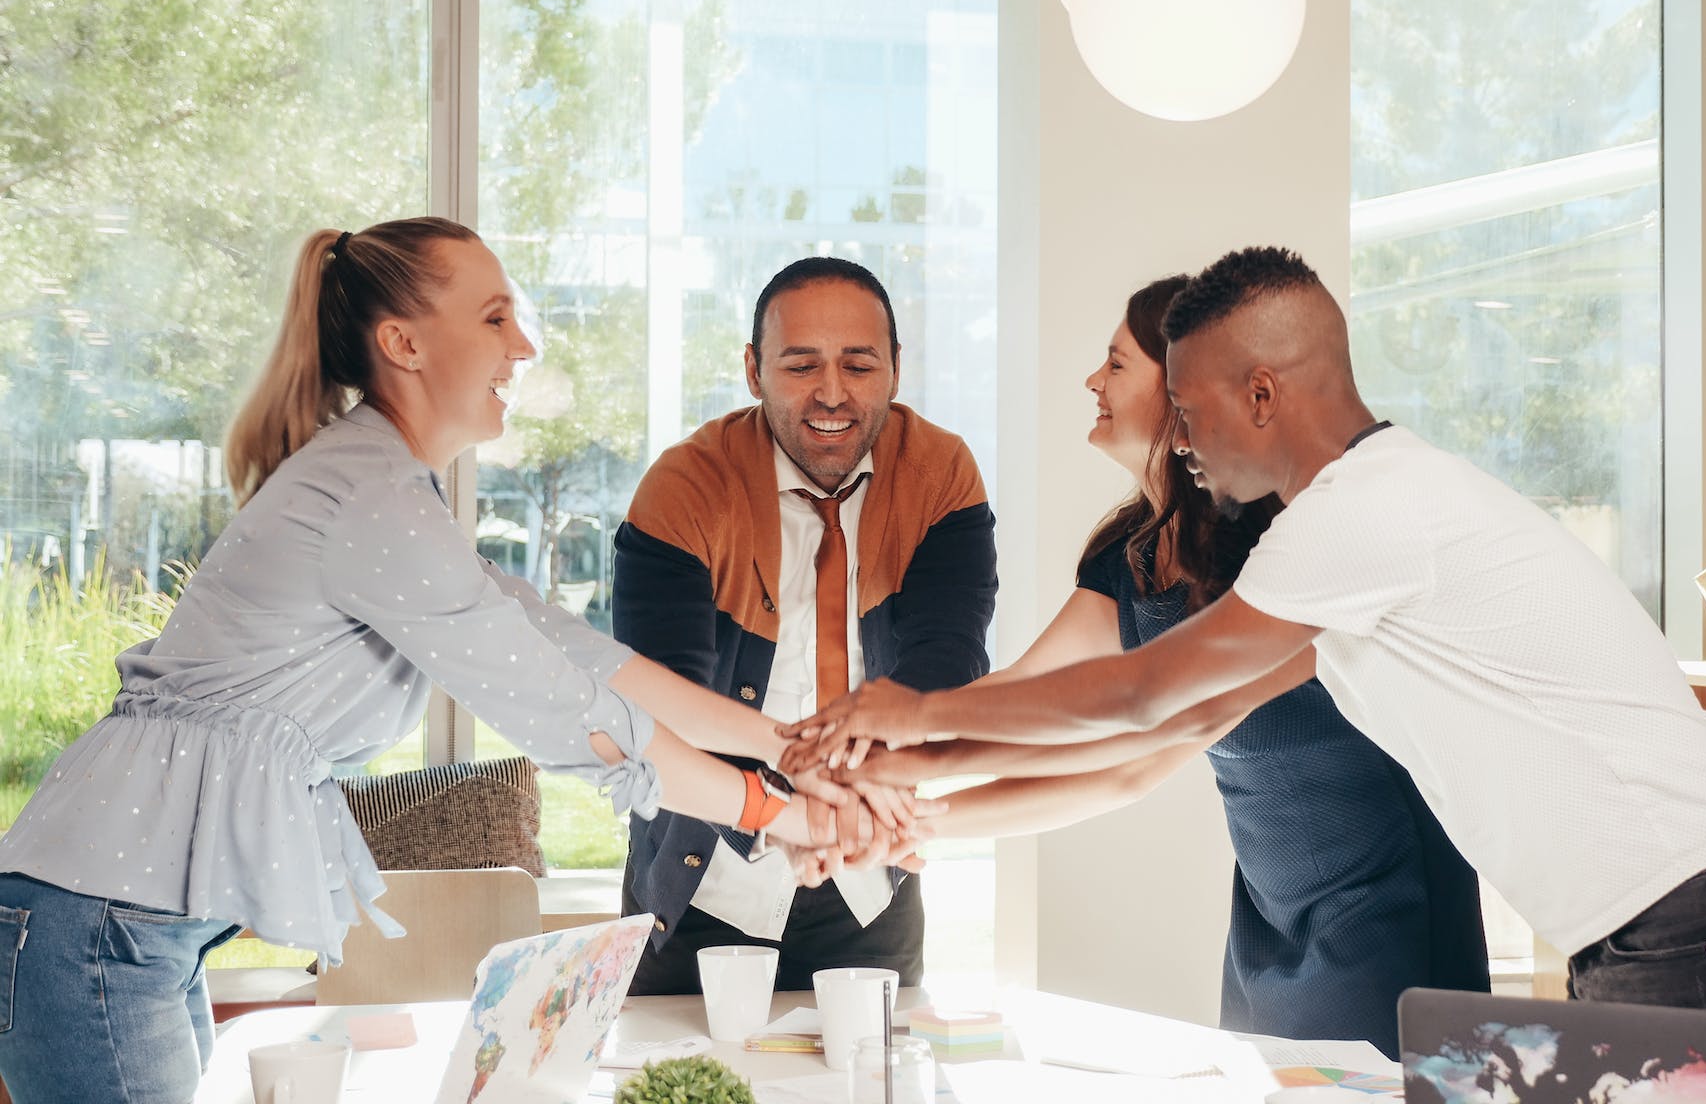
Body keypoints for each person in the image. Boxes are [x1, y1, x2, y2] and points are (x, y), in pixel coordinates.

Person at [792, 247, 1706, 1101]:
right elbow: (1175, 720)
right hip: (1667, 916)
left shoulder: (1365, 514)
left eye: (1194, 410)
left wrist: (918, 709)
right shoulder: (1337, 533)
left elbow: (1147, 691)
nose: (1186, 439)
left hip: (1701, 913)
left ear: (1263, 392)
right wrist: (914, 780)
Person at [0, 219, 922, 1104]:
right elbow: (568, 713)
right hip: (96, 928)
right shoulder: (369, 500)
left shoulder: (389, 490)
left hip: (122, 927)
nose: (523, 345)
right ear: (403, 342)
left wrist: (795, 749)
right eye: (494, 318)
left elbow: (585, 658)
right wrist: (777, 813)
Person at [832, 276, 1487, 1046]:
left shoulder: (1288, 545)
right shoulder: (1131, 555)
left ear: (1182, 392)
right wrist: (911, 803)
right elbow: (1051, 714)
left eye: (1115, 365)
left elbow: (1146, 733)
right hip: (1270, 915)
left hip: (1383, 902)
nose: (1092, 382)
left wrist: (904, 760)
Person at [610, 256, 997, 994]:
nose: (832, 393)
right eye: (801, 366)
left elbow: (946, 659)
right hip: (706, 876)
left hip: (866, 877)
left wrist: (857, 796)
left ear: (894, 369)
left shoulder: (942, 473)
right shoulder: (684, 487)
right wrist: (801, 804)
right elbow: (666, 699)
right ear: (754, 370)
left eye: (859, 365)